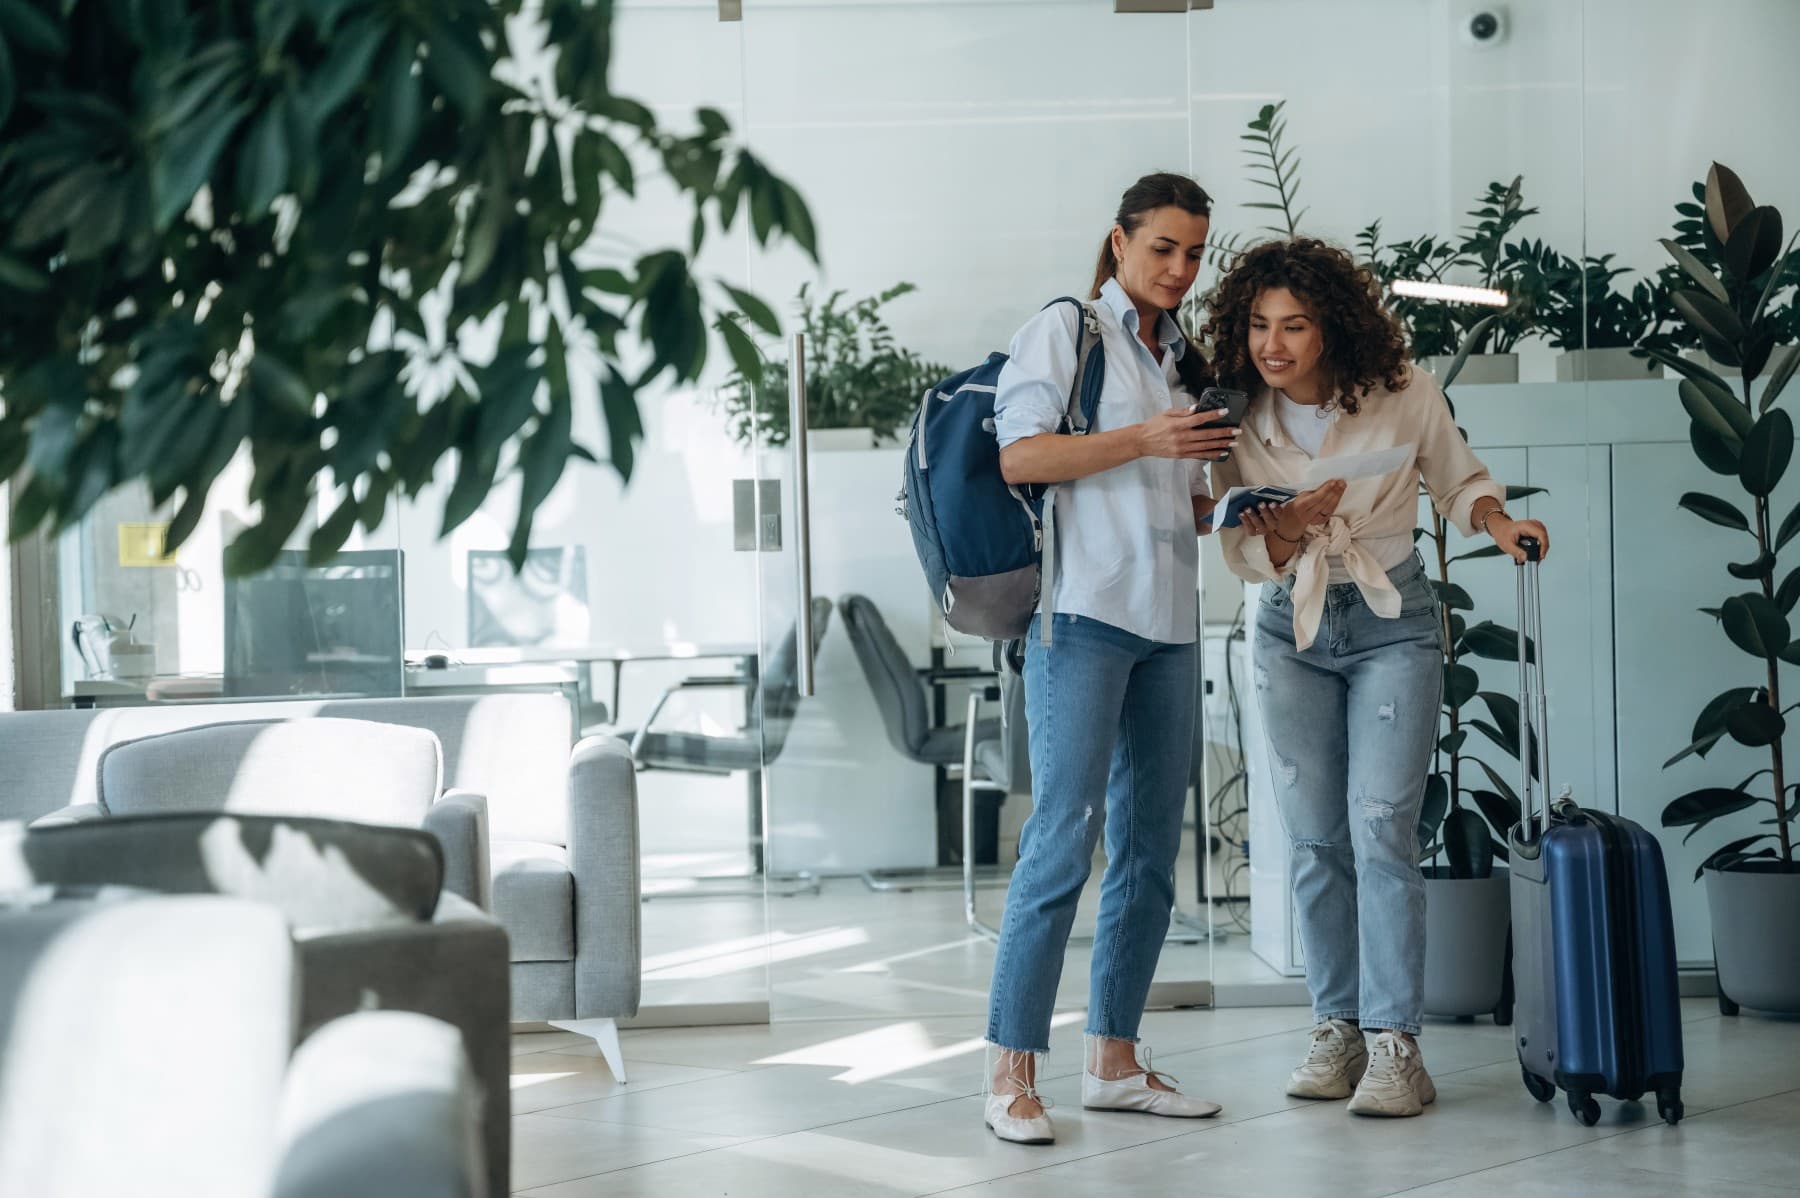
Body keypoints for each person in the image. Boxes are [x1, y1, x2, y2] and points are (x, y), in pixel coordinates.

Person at [1203, 237, 1550, 1117]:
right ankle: (1338, 1029)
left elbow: (1458, 479)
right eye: (1258, 326)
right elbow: (1244, 552)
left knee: (1380, 828)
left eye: (1294, 326)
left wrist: (1499, 523)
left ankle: (1399, 1047)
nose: (1271, 345)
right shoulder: (1239, 420)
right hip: (1290, 623)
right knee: (1317, 838)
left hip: (1392, 617)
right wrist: (1291, 527)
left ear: (1336, 329)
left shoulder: (1404, 394)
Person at [983, 172, 1233, 1145]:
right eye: (1163, 247)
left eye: (1194, 252)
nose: (1179, 268)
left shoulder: (1181, 358)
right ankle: (1010, 1072)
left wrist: (1235, 507)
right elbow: (1020, 457)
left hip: (1169, 622)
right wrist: (1146, 437)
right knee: (1061, 840)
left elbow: (1175, 496)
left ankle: (1116, 1062)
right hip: (1081, 616)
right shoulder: (1070, 329)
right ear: (1120, 243)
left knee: (1149, 856)